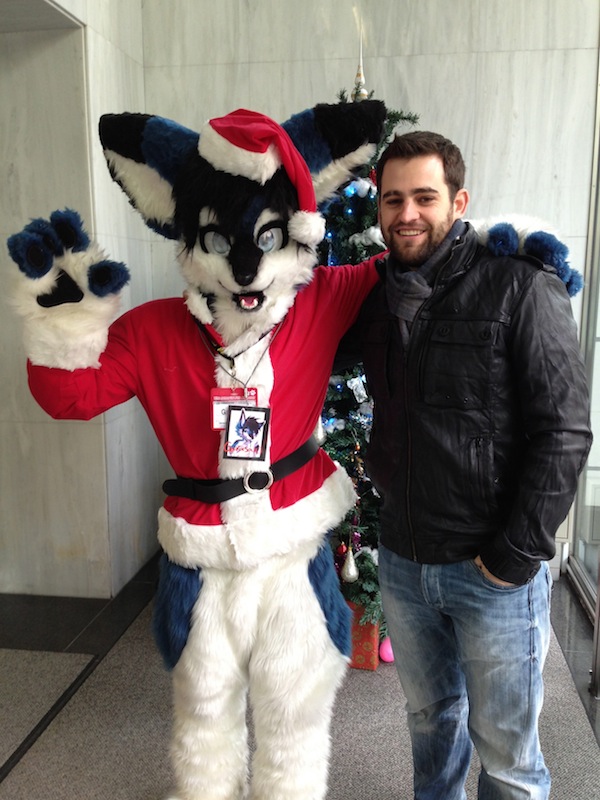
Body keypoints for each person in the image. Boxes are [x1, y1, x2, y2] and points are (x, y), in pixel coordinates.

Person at [338, 131, 593, 799]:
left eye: (424, 196)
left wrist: (516, 554)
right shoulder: (374, 295)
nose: (407, 214)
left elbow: (564, 432)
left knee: (508, 757)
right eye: (393, 200)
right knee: (430, 724)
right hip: (402, 560)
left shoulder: (518, 285)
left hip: (492, 572)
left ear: (459, 200)